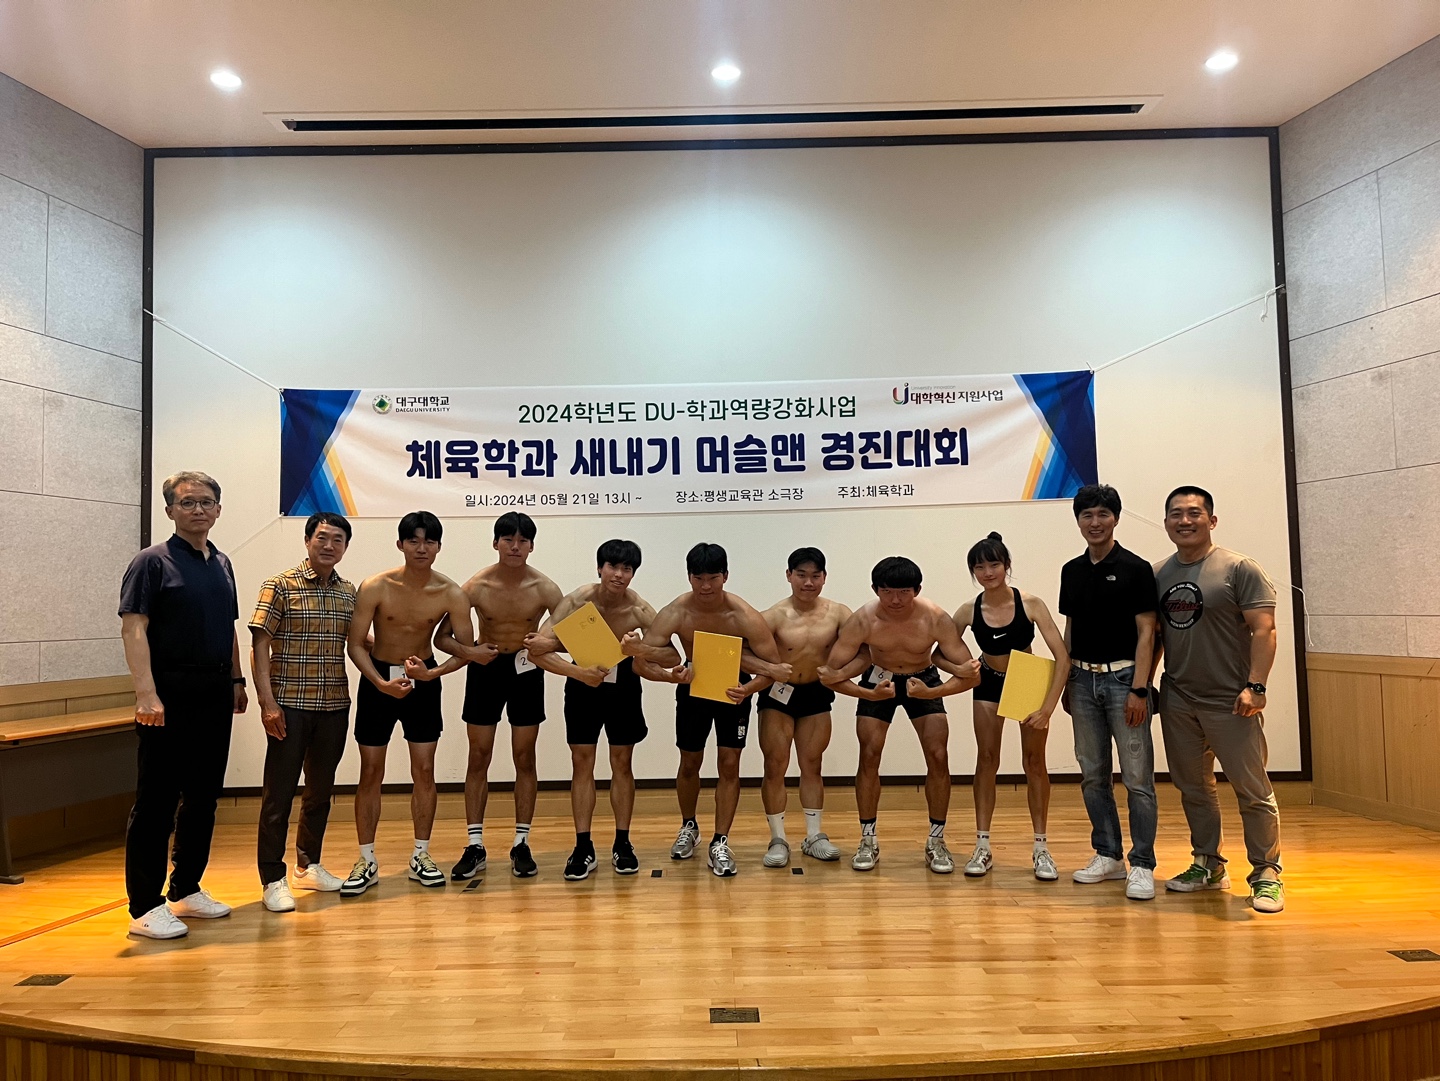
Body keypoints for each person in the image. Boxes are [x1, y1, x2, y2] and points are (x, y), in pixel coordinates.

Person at [118, 471, 247, 940]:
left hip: (214, 690)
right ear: (170, 510)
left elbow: (228, 627)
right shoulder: (151, 562)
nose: (198, 510)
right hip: (167, 692)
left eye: (206, 502)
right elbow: (133, 628)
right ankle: (145, 905)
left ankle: (186, 887)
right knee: (156, 800)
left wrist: (236, 679)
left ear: (218, 509)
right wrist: (146, 694)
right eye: (188, 502)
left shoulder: (222, 563)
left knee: (203, 796)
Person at [621, 542, 790, 877]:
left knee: (729, 764)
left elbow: (774, 669)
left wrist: (748, 689)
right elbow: (640, 663)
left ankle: (721, 840)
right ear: (689, 577)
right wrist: (670, 676)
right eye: (698, 578)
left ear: (725, 576)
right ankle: (689, 825)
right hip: (693, 688)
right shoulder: (676, 612)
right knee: (689, 762)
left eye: (713, 578)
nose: (706, 586)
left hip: (734, 690)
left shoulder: (743, 615)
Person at [1153, 486, 1284, 913]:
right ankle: (1208, 864)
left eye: (1194, 513)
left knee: (1252, 789)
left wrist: (1256, 686)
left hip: (1233, 700)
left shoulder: (1239, 568)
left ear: (1211, 520)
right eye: (1176, 514)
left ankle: (1266, 873)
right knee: (1193, 787)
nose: (1184, 520)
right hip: (1178, 699)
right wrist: (1145, 686)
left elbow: (1264, 629)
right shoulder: (1158, 574)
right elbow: (1154, 637)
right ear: (1166, 522)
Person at [913, 533, 1069, 880]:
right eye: (979, 567)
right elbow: (937, 653)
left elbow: (1062, 657)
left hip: (1027, 678)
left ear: (1006, 565)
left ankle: (1041, 848)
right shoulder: (969, 610)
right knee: (986, 759)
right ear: (973, 571)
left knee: (1034, 762)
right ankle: (982, 846)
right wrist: (963, 667)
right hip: (988, 680)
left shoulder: (1031, 603)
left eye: (994, 564)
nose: (987, 572)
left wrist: (1048, 707)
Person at [820, 556, 980, 874]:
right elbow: (829, 675)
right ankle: (868, 840)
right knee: (869, 753)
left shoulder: (934, 617)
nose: (895, 600)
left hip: (924, 677)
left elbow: (971, 675)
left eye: (904, 592)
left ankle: (936, 840)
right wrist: (869, 694)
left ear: (917, 590)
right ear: (875, 589)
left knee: (938, 754)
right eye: (887, 591)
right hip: (878, 679)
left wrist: (932, 693)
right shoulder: (863, 620)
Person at [342, 511, 473, 895]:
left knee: (425, 770)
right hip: (378, 679)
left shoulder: (451, 593)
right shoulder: (376, 586)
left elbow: (465, 649)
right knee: (371, 770)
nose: (421, 548)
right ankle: (366, 859)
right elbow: (355, 643)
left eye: (429, 541)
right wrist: (380, 683)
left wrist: (431, 674)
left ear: (438, 546)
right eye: (413, 540)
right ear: (400, 544)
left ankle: (421, 854)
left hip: (423, 681)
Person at [524, 539, 666, 879]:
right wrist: (578, 673)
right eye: (612, 567)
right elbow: (537, 650)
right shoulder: (577, 600)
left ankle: (623, 843)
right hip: (582, 684)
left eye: (626, 569)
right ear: (600, 568)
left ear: (633, 573)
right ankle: (582, 845)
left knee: (622, 762)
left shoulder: (639, 609)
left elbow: (671, 654)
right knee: (582, 762)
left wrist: (640, 649)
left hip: (624, 687)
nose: (619, 574)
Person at [435, 512, 563, 880]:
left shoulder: (545, 588)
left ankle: (521, 842)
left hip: (526, 670)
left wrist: (549, 643)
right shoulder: (476, 587)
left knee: (524, 756)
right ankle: (475, 844)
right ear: (496, 543)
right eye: (508, 539)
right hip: (486, 668)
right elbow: (442, 638)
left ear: (532, 546)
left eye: (522, 541)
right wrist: (471, 652)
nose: (515, 547)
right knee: (479, 755)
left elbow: (571, 636)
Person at [249, 512, 358, 912]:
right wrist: (267, 702)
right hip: (289, 706)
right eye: (322, 538)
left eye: (337, 540)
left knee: (320, 792)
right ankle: (272, 878)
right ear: (308, 540)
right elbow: (260, 645)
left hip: (334, 705)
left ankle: (307, 865)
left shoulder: (349, 592)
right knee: (278, 795)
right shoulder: (280, 585)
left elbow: (360, 642)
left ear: (345, 547)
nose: (329, 546)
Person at [1058, 484, 1160, 901]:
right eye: (1087, 515)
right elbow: (1070, 631)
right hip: (1082, 681)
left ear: (1115, 518)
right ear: (1078, 521)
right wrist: (1065, 682)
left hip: (1125, 681)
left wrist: (1140, 688)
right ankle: (1108, 854)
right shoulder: (1071, 570)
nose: (1095, 522)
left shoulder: (1136, 568)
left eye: (1103, 514)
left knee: (1137, 778)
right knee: (1092, 774)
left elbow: (1147, 632)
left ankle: (1143, 864)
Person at [749, 547, 851, 867]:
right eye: (801, 575)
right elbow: (739, 651)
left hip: (816, 694)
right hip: (778, 695)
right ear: (789, 576)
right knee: (775, 765)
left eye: (815, 576)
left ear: (824, 577)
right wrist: (769, 669)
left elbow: (865, 649)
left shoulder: (839, 613)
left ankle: (814, 836)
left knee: (812, 764)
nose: (808, 582)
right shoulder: (772, 616)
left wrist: (841, 674)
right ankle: (778, 838)